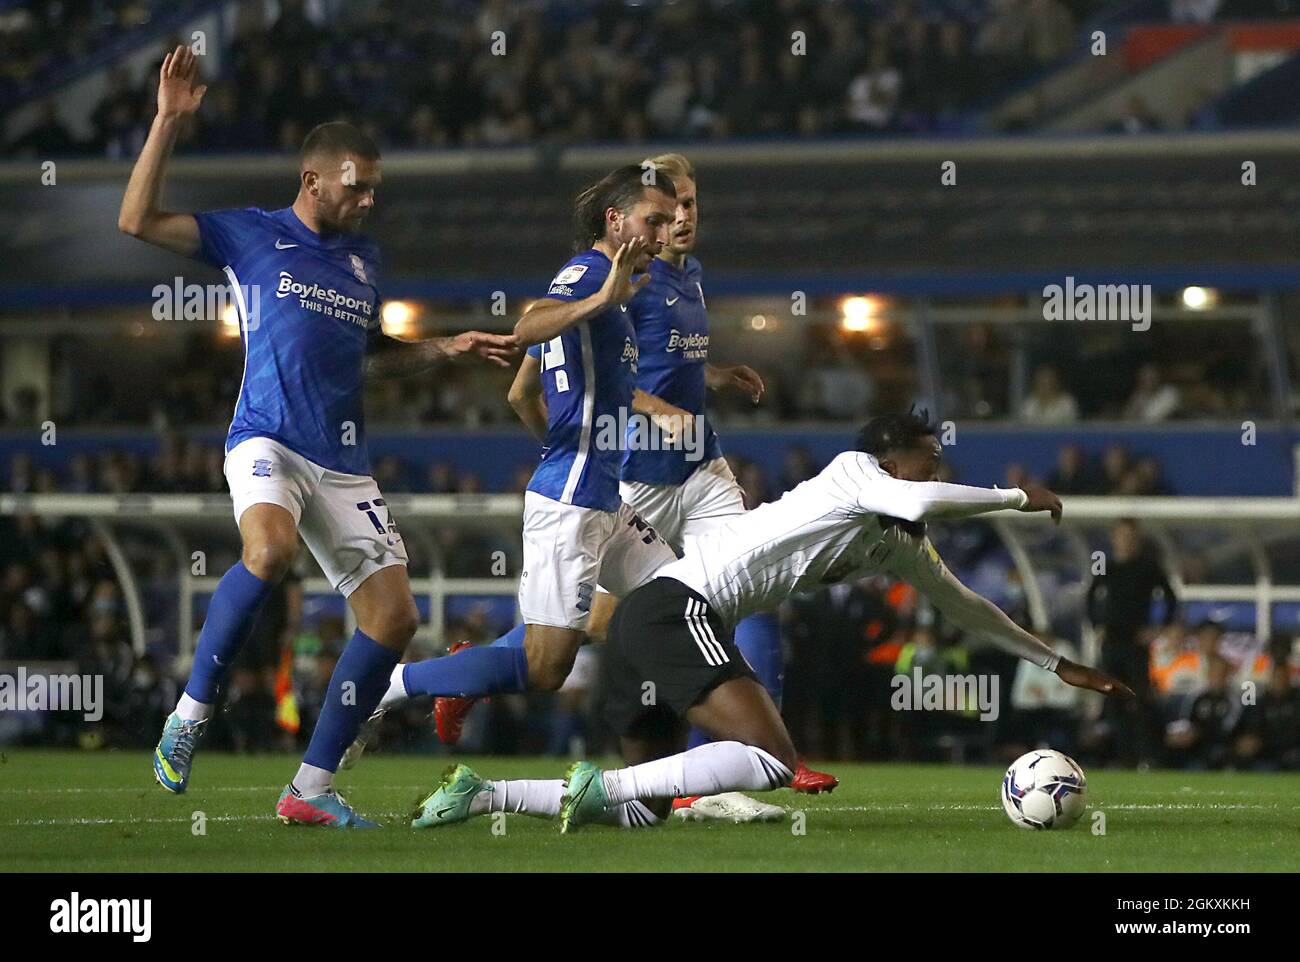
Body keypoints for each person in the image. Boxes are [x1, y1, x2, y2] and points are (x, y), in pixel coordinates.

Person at [119, 45, 516, 827]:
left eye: (375, 188)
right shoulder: (250, 235)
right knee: (267, 554)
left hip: (342, 462)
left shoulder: (366, 260)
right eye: (356, 186)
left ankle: (309, 790)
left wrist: (448, 348)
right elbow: (134, 220)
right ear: (312, 180)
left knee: (393, 620)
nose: (369, 200)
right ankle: (190, 715)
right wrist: (166, 121)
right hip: (265, 437)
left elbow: (373, 362)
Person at [410, 410, 1132, 831]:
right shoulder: (854, 474)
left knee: (643, 814)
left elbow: (963, 604)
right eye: (930, 459)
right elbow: (919, 501)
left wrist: (1054, 662)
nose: (936, 472)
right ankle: (590, 776)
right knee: (772, 759)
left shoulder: (895, 541)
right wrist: (1013, 497)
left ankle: (486, 794)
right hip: (674, 608)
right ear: (892, 456)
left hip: (655, 623)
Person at [432, 153, 836, 823]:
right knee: (600, 623)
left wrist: (716, 374)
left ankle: (747, 762)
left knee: (748, 588)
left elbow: (669, 361)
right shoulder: (622, 276)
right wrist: (640, 415)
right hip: (636, 476)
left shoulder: (690, 277)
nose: (684, 217)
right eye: (672, 206)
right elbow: (554, 359)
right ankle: (474, 674)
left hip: (701, 470)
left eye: (694, 204)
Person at [353, 169, 689, 834]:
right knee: (545, 669)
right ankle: (390, 688)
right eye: (651, 221)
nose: (662, 232)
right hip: (573, 501)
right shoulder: (588, 277)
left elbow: (520, 394)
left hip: (601, 497)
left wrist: (574, 444)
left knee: (680, 599)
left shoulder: (616, 298)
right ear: (616, 224)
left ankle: (661, 788)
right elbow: (530, 322)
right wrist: (599, 304)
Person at [1085, 517, 1177, 766]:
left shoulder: (1148, 566)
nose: (1126, 541)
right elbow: (1091, 595)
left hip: (1135, 641)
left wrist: (1158, 629)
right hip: (1112, 641)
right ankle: (1121, 755)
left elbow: (1170, 597)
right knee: (1112, 698)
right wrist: (1097, 626)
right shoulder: (1105, 564)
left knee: (1139, 699)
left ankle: (1147, 755)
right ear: (1114, 538)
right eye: (1121, 535)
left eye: (1130, 536)